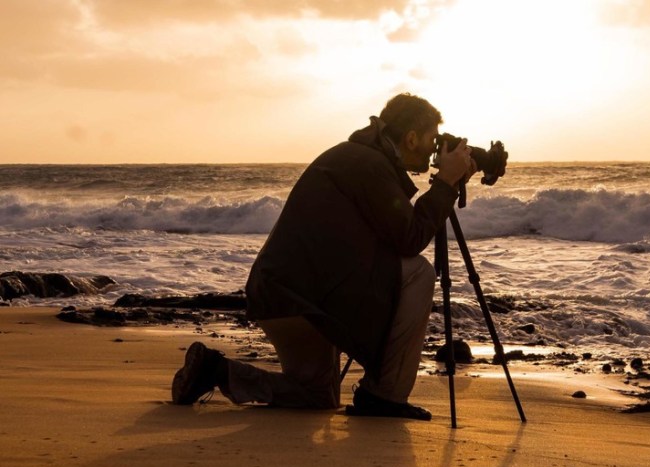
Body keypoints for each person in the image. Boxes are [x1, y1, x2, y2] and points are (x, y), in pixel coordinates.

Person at [171, 92, 506, 420]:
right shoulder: (371, 167)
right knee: (418, 272)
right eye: (432, 140)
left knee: (318, 395)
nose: (435, 150)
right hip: (306, 301)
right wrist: (446, 183)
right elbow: (410, 239)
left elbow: (387, 239)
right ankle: (384, 395)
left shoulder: (355, 156)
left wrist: (446, 184)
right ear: (411, 137)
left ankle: (216, 371)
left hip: (282, 294)